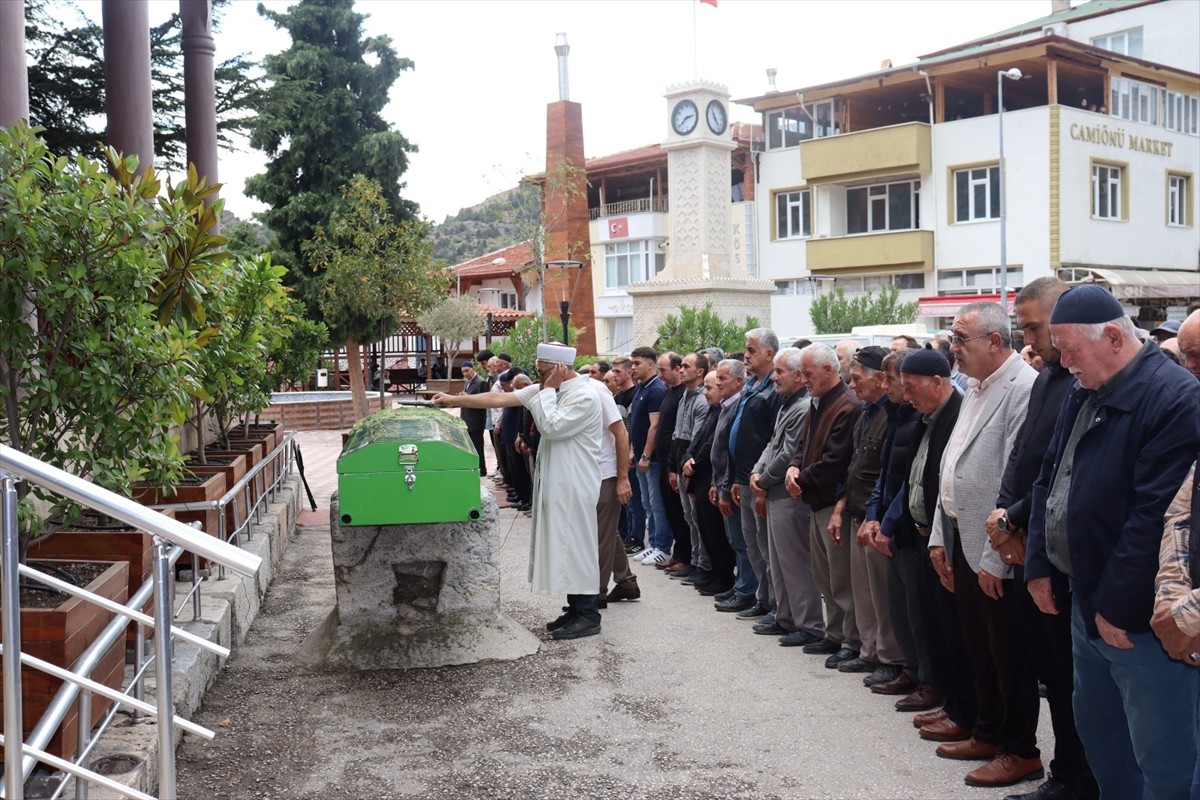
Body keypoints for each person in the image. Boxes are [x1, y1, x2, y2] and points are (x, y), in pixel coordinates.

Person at [1026, 285, 1200, 800]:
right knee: (1102, 739)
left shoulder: (1174, 399)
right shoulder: (1084, 388)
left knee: (1163, 757)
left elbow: (1155, 517)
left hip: (1136, 618)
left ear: (1114, 339)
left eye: (1071, 351)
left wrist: (1117, 608)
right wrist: (1039, 562)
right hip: (1088, 602)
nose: (1064, 363)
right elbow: (1049, 477)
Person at [988, 278, 1097, 800]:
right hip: (1028, 542)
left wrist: (1012, 520)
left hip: (1056, 552)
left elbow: (1064, 475)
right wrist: (1003, 518)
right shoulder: (1050, 378)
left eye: (1034, 327)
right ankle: (1065, 774)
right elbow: (1025, 458)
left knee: (1072, 681)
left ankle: (1079, 781)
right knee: (1051, 674)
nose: (1028, 340)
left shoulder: (1080, 381)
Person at [929, 301, 1040, 787]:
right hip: (961, 534)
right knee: (979, 646)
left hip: (996, 545)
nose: (953, 348)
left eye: (960, 338)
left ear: (995, 341)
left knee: (1008, 654)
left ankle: (1020, 749)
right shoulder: (974, 386)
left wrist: (995, 557)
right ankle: (988, 731)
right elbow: (952, 465)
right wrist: (940, 534)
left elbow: (1016, 477)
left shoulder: (1022, 387)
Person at [433, 342, 605, 640]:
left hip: (575, 482)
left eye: (542, 371)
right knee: (564, 544)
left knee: (577, 544)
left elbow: (551, 427)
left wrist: (547, 391)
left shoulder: (584, 395)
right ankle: (576, 608)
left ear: (560, 368)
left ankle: (589, 614)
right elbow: (501, 398)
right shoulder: (549, 388)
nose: (538, 377)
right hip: (557, 480)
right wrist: (453, 400)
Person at [898, 349, 978, 747]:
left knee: (957, 633)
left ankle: (966, 711)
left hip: (948, 538)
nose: (907, 396)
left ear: (937, 382)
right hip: (924, 535)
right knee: (937, 627)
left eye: (912, 387)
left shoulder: (958, 416)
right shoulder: (926, 418)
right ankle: (952, 702)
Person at [785, 344, 862, 667]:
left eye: (808, 373)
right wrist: (793, 467)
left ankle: (851, 640)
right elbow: (804, 446)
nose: (803, 379)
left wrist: (799, 478)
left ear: (829, 370)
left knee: (841, 578)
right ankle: (834, 633)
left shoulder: (847, 405)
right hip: (815, 500)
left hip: (832, 501)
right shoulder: (818, 402)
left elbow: (835, 461)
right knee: (824, 576)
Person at [835, 346, 905, 686]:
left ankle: (890, 658)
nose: (852, 384)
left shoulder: (892, 415)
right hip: (858, 511)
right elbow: (855, 465)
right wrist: (841, 507)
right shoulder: (867, 412)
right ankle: (869, 651)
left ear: (879, 378)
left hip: (876, 516)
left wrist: (876, 516)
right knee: (864, 592)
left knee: (881, 595)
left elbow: (888, 475)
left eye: (857, 378)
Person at [750, 347, 825, 647]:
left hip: (787, 496)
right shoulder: (786, 404)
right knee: (779, 561)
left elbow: (788, 454)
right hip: (772, 491)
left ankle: (809, 623)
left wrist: (763, 480)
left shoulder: (803, 407)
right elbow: (771, 445)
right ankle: (786, 617)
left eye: (780, 372)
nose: (774, 377)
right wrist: (756, 473)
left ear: (798, 376)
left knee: (795, 562)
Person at [730, 328, 782, 625]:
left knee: (766, 546)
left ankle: (776, 605)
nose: (746, 355)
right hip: (745, 477)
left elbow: (772, 440)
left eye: (751, 350)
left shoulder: (774, 389)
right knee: (753, 543)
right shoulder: (751, 385)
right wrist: (738, 478)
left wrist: (761, 481)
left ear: (769, 354)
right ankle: (762, 600)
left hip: (761, 480)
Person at [680, 370, 737, 596]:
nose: (705, 392)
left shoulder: (725, 410)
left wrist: (693, 463)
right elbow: (697, 439)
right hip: (701, 476)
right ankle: (713, 572)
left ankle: (723, 577)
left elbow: (713, 444)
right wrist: (687, 456)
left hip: (709, 474)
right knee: (704, 527)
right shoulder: (714, 410)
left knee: (716, 531)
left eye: (710, 387)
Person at [711, 358, 759, 613]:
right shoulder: (726, 405)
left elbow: (734, 453)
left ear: (739, 381)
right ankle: (742, 584)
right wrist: (715, 482)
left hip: (732, 485)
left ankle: (746, 590)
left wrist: (725, 487)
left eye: (723, 378)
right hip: (723, 482)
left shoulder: (739, 405)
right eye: (717, 377)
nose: (718, 382)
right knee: (736, 539)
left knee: (742, 541)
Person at [628, 346, 673, 565]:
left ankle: (662, 546)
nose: (633, 367)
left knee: (657, 504)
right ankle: (653, 544)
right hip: (639, 456)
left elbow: (654, 427)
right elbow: (635, 424)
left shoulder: (656, 390)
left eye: (637, 363)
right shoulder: (640, 388)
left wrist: (646, 455)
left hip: (652, 460)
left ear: (650, 364)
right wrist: (632, 451)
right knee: (647, 503)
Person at [460, 360, 489, 477]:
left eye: (467, 371)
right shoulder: (467, 382)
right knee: (470, 446)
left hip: (476, 420)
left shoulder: (480, 382)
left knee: (478, 446)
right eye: (463, 372)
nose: (465, 374)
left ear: (473, 369)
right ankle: (474, 467)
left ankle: (482, 469)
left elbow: (482, 401)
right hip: (467, 418)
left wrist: (467, 397)